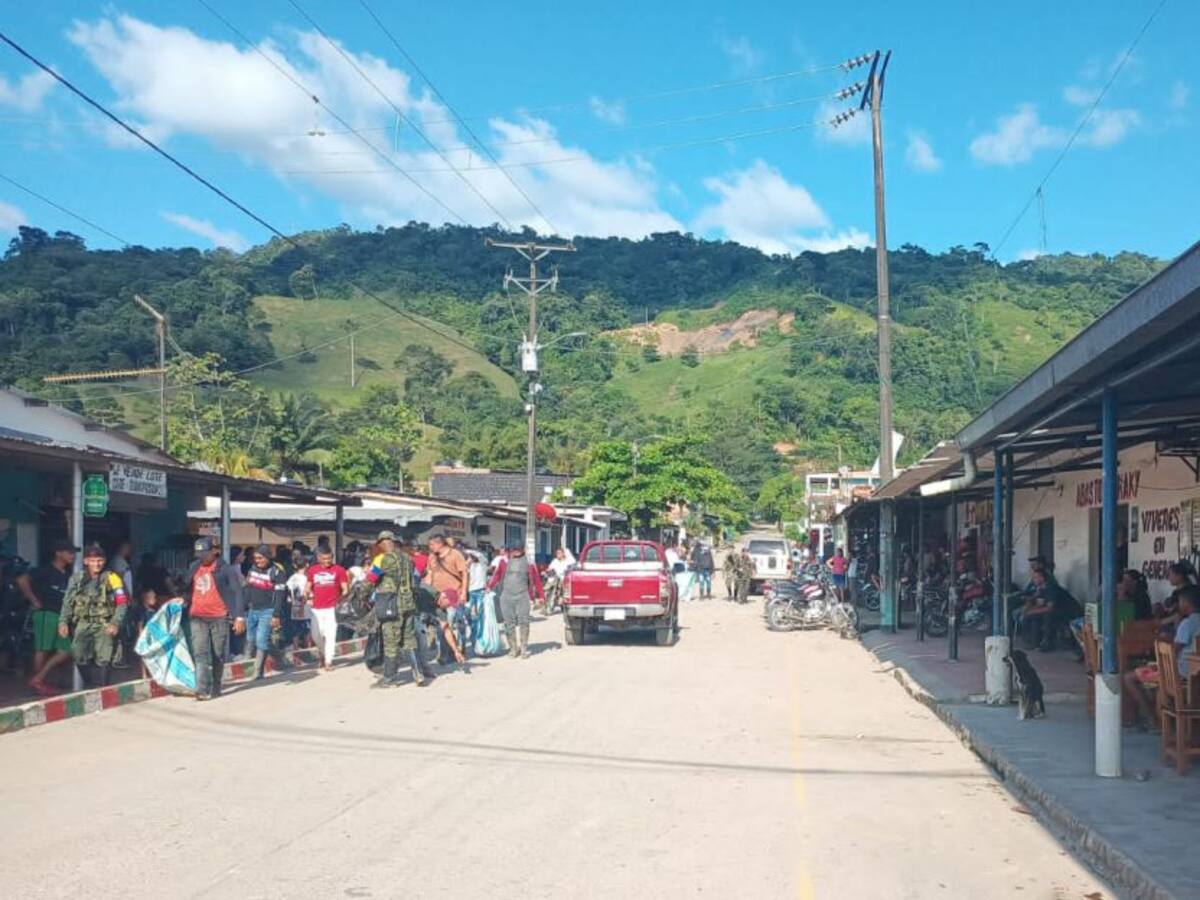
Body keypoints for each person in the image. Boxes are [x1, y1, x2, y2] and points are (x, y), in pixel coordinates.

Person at [1122, 584, 1200, 729]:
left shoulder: (1187, 623)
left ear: (1187, 603)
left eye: (1181, 601)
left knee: (1128, 678)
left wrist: (1158, 662)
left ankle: (1151, 719)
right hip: (1193, 674)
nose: (1179, 605)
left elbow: (1174, 651)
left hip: (1179, 674)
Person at [366, 530, 434, 688]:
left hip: (390, 606)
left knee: (390, 642)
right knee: (409, 639)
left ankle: (389, 678)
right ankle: (418, 674)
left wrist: (362, 595)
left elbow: (371, 579)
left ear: (383, 543)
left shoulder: (382, 559)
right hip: (408, 604)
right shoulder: (408, 559)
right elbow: (416, 578)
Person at [57, 544, 129, 688]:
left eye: (100, 560)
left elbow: (122, 602)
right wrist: (63, 621)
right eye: (93, 560)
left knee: (104, 657)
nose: (97, 564)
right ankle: (90, 685)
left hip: (104, 623)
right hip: (82, 623)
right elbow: (68, 601)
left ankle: (102, 687)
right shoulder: (77, 578)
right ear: (86, 561)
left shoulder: (112, 578)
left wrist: (115, 622)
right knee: (78, 654)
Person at [184, 537, 246, 701]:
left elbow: (237, 592)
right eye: (199, 554)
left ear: (214, 552)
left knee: (217, 653)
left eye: (205, 554)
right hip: (197, 616)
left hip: (218, 617)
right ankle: (202, 689)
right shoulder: (194, 566)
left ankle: (216, 683)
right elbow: (186, 585)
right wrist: (182, 598)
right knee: (200, 652)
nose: (202, 557)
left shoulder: (225, 569)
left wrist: (239, 616)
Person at [17, 539, 76, 696]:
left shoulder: (66, 574)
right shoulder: (46, 570)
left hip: (60, 616)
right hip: (45, 613)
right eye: (69, 552)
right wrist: (33, 600)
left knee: (65, 650)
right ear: (58, 553)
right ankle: (38, 683)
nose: (72, 555)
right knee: (42, 649)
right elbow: (22, 580)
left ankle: (38, 679)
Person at [487, 541, 544, 659]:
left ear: (523, 549)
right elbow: (497, 575)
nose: (516, 552)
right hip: (506, 596)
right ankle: (513, 648)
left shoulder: (529, 562)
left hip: (522, 595)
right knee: (508, 623)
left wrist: (541, 596)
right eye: (514, 549)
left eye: (518, 549)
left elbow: (536, 580)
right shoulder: (503, 561)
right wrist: (489, 586)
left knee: (524, 622)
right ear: (510, 550)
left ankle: (523, 648)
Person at [243, 544, 289, 679]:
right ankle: (279, 656)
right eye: (256, 558)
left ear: (268, 557)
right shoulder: (252, 569)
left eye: (260, 558)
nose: (258, 561)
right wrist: (244, 606)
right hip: (253, 609)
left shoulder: (277, 571)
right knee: (252, 639)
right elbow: (248, 588)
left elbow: (280, 595)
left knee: (261, 640)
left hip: (268, 610)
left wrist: (276, 614)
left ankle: (258, 671)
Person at [306, 546, 349, 672]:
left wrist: (342, 598)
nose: (327, 561)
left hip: (332, 608)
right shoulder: (312, 570)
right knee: (316, 635)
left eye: (329, 558)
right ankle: (322, 653)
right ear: (318, 558)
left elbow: (345, 588)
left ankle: (328, 661)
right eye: (324, 559)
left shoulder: (339, 570)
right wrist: (307, 594)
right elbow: (308, 586)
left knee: (330, 635)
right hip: (316, 609)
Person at [1021, 568, 1081, 652]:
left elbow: (1050, 607)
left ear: (1042, 578)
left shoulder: (1051, 588)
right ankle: (1034, 643)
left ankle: (1048, 644)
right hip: (1057, 611)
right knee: (1034, 616)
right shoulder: (1041, 588)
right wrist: (1029, 608)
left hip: (1071, 612)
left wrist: (1031, 611)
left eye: (1035, 577)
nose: (1033, 580)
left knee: (1048, 616)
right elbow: (1039, 604)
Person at [424, 534, 469, 614]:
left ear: (440, 544)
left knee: (453, 618)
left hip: (453, 596)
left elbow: (464, 574)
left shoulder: (455, 554)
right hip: (437, 597)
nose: (430, 547)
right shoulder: (432, 556)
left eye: (432, 544)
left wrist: (464, 593)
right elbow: (429, 573)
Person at [463, 545, 489, 640]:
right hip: (470, 592)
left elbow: (479, 555)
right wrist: (467, 562)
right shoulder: (469, 566)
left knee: (480, 614)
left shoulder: (482, 563)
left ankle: (479, 633)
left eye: (471, 556)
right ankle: (473, 628)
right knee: (467, 612)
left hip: (480, 591)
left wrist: (467, 551)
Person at [286, 554, 312, 648]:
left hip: (294, 607)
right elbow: (303, 594)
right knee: (307, 630)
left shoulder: (292, 578)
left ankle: (296, 649)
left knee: (295, 631)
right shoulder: (305, 579)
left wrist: (293, 604)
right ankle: (308, 650)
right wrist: (301, 608)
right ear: (307, 564)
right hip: (304, 607)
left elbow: (289, 593)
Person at [545, 547, 575, 613]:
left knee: (564, 594)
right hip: (555, 580)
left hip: (564, 580)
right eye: (557, 553)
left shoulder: (568, 561)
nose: (557, 554)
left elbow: (572, 567)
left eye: (559, 553)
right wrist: (548, 571)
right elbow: (550, 568)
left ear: (563, 554)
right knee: (551, 592)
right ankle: (549, 607)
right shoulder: (555, 561)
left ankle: (563, 607)